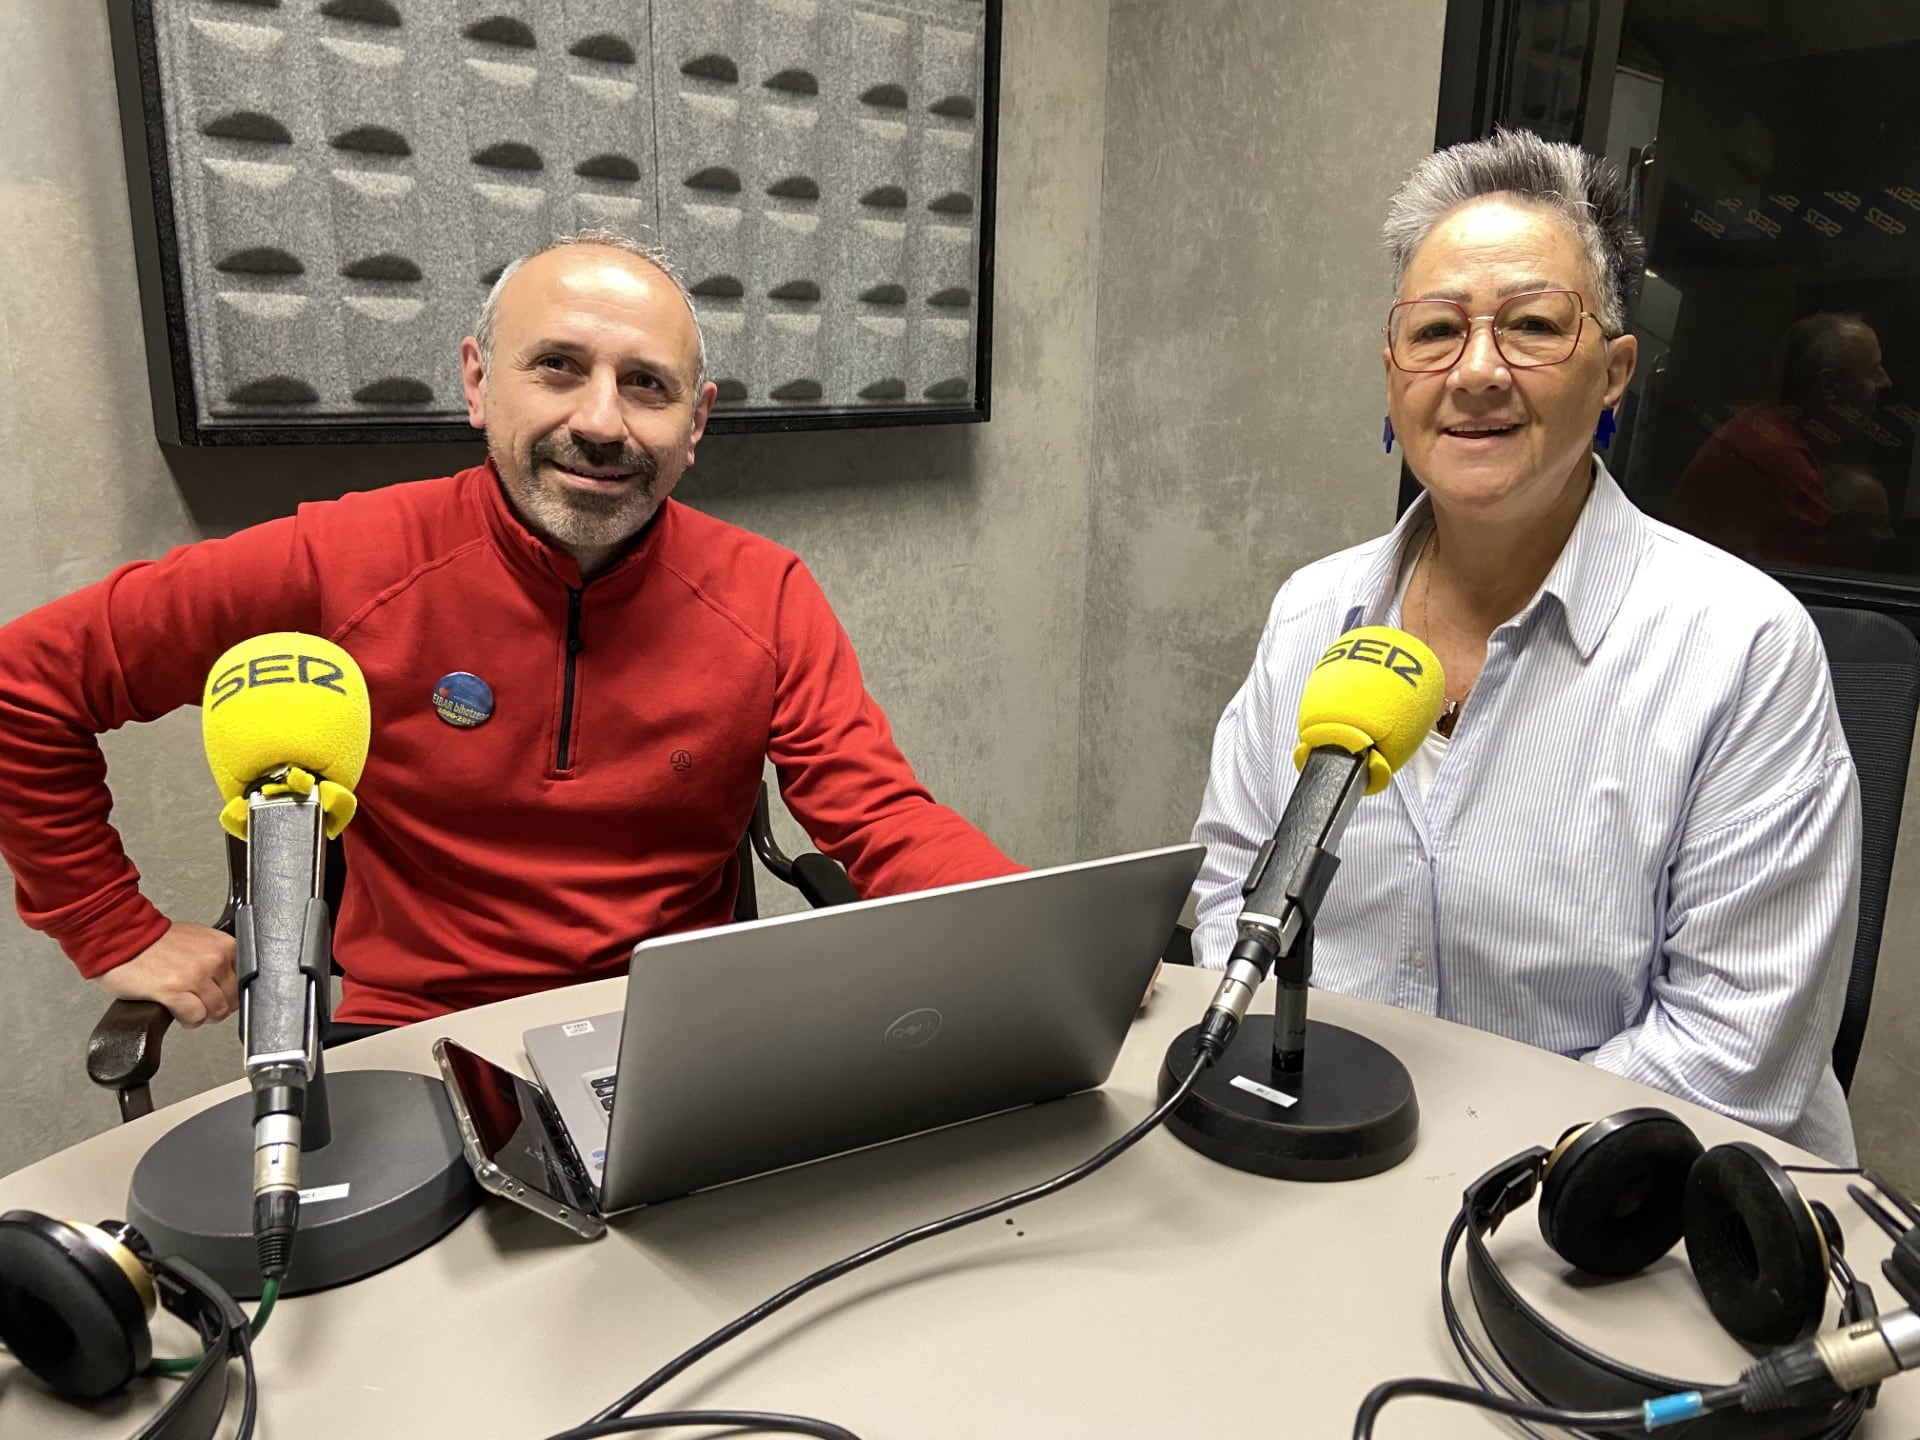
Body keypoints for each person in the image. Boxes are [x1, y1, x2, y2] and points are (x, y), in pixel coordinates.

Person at [0, 231, 1019, 1035]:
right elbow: (27, 682)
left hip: (682, 1035)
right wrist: (107, 926)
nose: (604, 422)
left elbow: (879, 818)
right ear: (480, 380)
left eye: (647, 386)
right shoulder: (342, 559)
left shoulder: (766, 593)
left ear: (697, 422)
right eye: (559, 368)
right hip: (421, 1043)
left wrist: (1039, 938)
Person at [1188, 130, 1860, 1162]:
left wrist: (1455, 1163)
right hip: (1342, 1157)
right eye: (1436, 333)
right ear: (1393, 373)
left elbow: (1733, 1058)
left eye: (1535, 326)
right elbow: (1232, 895)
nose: (1478, 372)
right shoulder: (1315, 613)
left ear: (1614, 374)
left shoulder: (1744, 648)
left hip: (1624, 1205)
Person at [1665, 312, 1894, 566]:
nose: (1886, 382)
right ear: (1829, 388)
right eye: (1873, 371)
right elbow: (1821, 574)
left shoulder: (1767, 431)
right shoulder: (1780, 456)